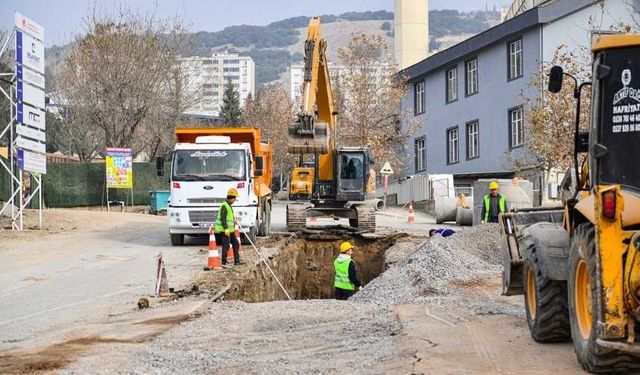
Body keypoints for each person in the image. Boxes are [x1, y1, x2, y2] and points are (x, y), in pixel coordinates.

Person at [214, 188, 244, 267]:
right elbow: (223, 218)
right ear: (231, 197)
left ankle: (237, 261)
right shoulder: (224, 206)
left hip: (230, 230)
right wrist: (226, 228)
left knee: (236, 244)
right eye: (234, 199)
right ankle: (224, 262)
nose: (235, 200)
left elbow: (228, 218)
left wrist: (234, 220)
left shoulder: (229, 205)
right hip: (225, 230)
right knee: (226, 246)